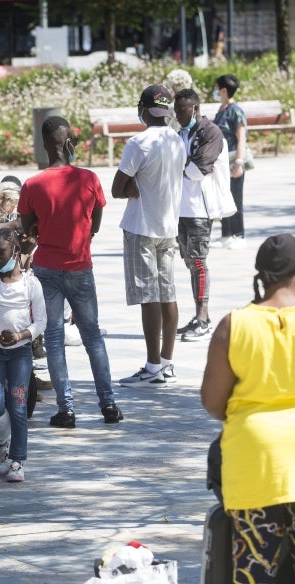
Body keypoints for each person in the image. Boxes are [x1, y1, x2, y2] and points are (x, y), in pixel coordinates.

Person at [200, 233, 295, 582]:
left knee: (255, 568)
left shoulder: (233, 325)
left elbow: (212, 402)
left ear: (260, 274)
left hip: (255, 458)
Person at [18, 116, 121, 427]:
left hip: (47, 266)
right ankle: (109, 405)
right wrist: (85, 235)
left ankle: (67, 410)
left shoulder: (33, 184)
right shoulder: (89, 178)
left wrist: (42, 226)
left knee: (53, 337)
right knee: (92, 336)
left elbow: (27, 228)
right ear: (69, 143)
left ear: (45, 144)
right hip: (80, 266)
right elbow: (97, 219)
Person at [112, 85, 185, 388]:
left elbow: (117, 188)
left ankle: (152, 366)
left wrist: (130, 188)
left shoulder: (138, 143)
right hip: (169, 226)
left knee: (148, 297)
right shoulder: (177, 141)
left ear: (142, 110)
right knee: (168, 293)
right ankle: (167, 362)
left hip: (142, 226)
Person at [0, 228, 46, 483]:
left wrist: (21, 335)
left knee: (19, 405)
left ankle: (17, 460)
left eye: (1, 253)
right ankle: (2, 445)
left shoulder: (31, 284)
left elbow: (41, 322)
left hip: (20, 353)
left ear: (15, 250)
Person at [173, 88, 230, 343]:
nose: (178, 115)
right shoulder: (180, 133)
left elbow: (197, 170)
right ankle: (198, 318)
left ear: (195, 108)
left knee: (198, 262)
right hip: (180, 209)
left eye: (182, 110)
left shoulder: (211, 132)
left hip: (199, 210)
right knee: (189, 262)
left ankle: (204, 320)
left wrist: (177, 168)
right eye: (175, 111)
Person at [212, 74, 249, 249]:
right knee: (223, 198)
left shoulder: (236, 111)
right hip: (221, 162)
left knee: (235, 198)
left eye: (217, 88)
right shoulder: (222, 109)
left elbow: (241, 138)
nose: (215, 92)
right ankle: (226, 234)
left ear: (224, 90)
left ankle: (239, 235)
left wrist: (239, 163)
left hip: (234, 159)